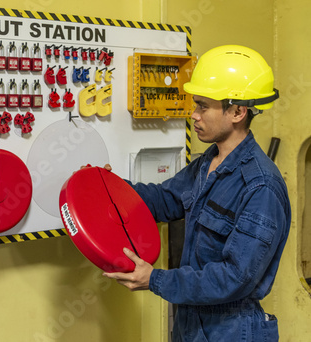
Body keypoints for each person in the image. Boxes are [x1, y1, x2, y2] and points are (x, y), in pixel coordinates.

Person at [103, 45, 291, 341]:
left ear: (237, 112)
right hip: (191, 321)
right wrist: (107, 186)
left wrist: (155, 279)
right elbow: (164, 200)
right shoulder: (207, 163)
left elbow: (234, 278)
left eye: (203, 106)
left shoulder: (261, 187)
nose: (194, 115)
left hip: (232, 329)